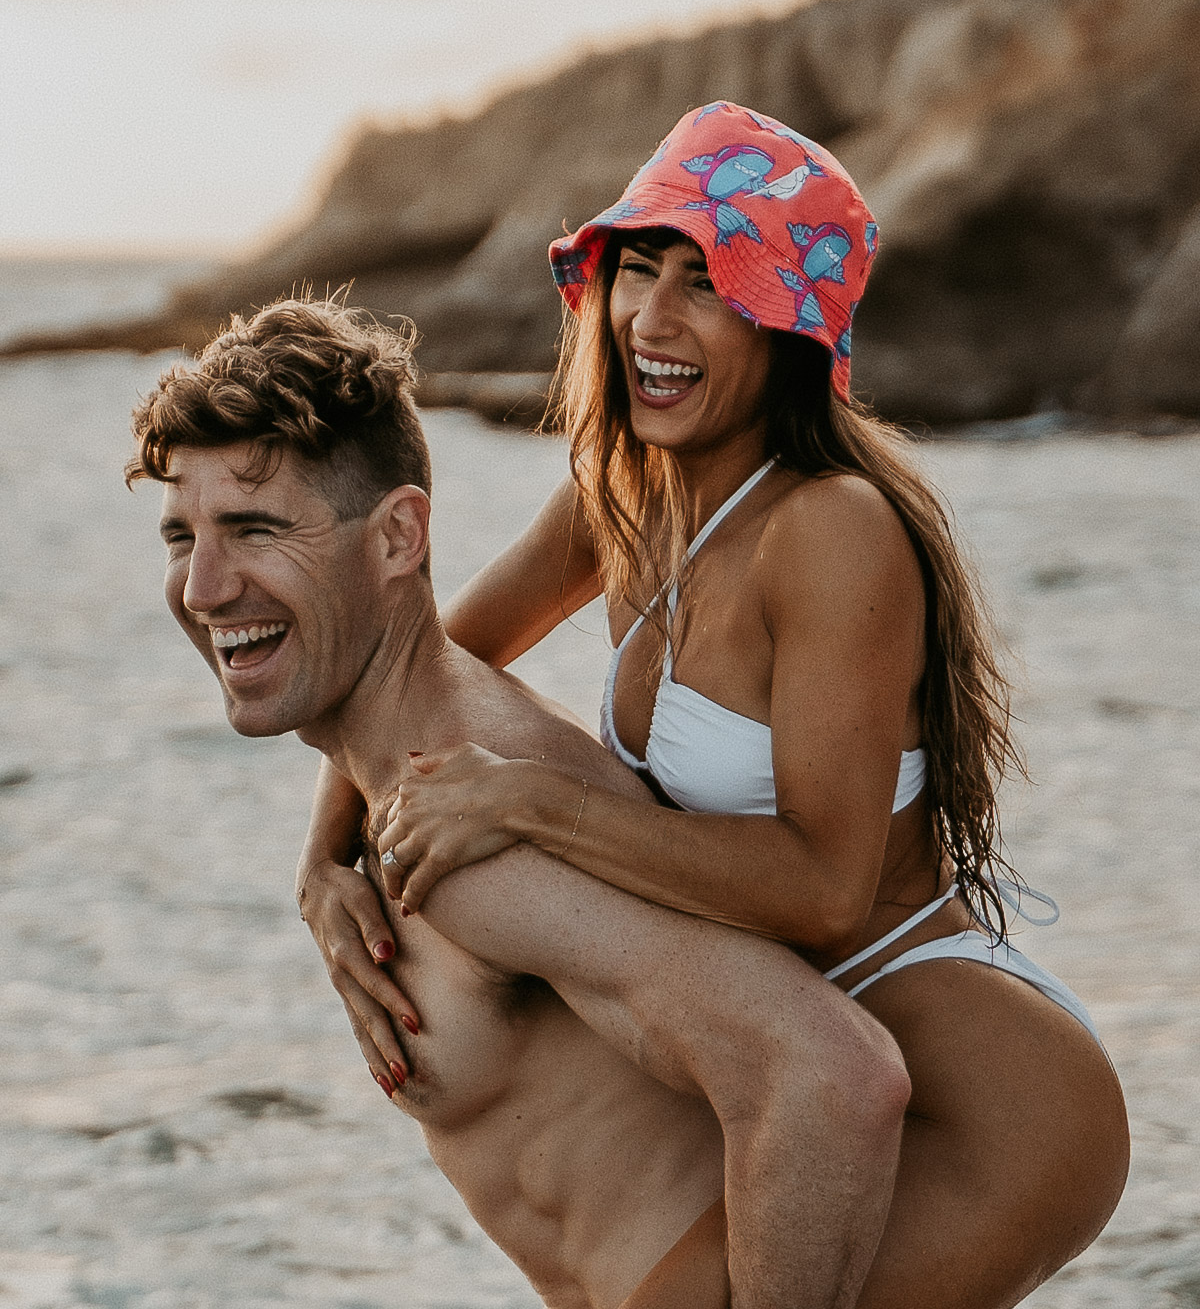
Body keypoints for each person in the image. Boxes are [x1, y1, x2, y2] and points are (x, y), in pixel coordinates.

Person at [301, 103, 1130, 1309]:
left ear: (790, 326)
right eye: (642, 267)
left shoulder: (830, 530)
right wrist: (323, 861)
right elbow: (421, 657)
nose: (656, 316)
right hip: (811, 1071)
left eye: (714, 280)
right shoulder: (625, 493)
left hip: (991, 1110)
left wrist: (526, 802)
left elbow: (821, 886)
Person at [128, 298, 911, 1309]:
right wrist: (320, 861)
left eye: (253, 529)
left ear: (398, 537)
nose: (203, 585)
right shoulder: (416, 774)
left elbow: (834, 1077)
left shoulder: (481, 831)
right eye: (179, 537)